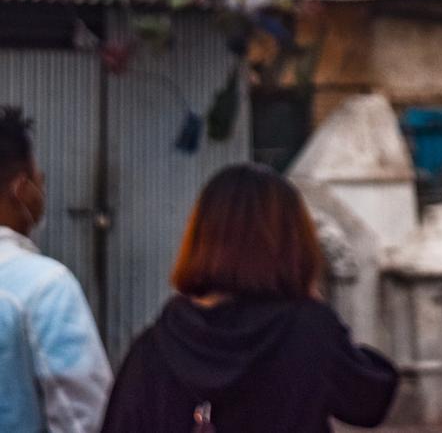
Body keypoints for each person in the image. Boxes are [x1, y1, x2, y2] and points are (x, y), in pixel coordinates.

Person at [101, 163, 397, 433]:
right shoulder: (308, 330)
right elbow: (369, 401)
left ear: (203, 240)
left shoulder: (155, 345)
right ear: (293, 242)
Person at [0, 105, 112, 433]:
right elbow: (86, 419)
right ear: (21, 189)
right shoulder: (44, 287)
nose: (42, 194)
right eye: (39, 181)